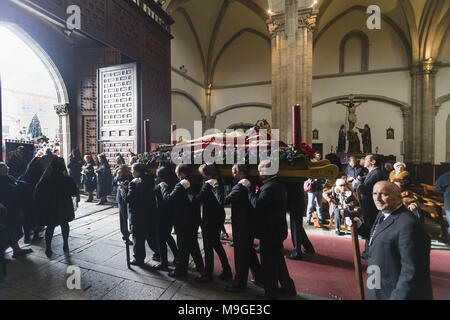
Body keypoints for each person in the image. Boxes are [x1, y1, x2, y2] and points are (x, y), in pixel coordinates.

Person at [348, 181, 433, 300]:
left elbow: (412, 273)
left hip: (394, 292)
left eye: (384, 194)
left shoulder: (409, 225)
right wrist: (359, 226)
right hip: (379, 286)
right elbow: (379, 236)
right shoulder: (383, 214)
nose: (377, 198)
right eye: (374, 193)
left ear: (398, 198)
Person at [248, 160, 296, 300]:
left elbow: (257, 204)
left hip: (270, 232)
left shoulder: (270, 187)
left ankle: (271, 294)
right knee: (278, 261)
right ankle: (288, 287)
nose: (258, 173)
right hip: (275, 230)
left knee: (269, 265)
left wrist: (249, 190)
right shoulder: (275, 184)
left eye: (260, 170)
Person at [159, 164, 204, 277]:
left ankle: (180, 271)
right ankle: (200, 266)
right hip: (194, 218)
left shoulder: (181, 184)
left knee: (183, 246)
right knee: (193, 244)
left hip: (183, 220)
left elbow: (168, 199)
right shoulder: (195, 181)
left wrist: (163, 187)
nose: (177, 176)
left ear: (182, 173)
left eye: (177, 174)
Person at [224, 164, 262, 292]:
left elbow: (225, 200)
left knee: (240, 256)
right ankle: (258, 277)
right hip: (248, 225)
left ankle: (239, 284)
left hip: (242, 226)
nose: (232, 175)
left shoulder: (240, 186)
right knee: (249, 253)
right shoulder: (249, 182)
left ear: (240, 173)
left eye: (234, 172)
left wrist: (215, 187)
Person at [192, 164, 232, 283]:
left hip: (210, 219)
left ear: (205, 173)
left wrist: (188, 192)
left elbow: (198, 199)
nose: (201, 176)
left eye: (202, 174)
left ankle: (207, 274)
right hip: (218, 217)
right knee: (216, 244)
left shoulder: (209, 184)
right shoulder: (218, 180)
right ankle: (227, 270)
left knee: (208, 247)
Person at [34, 158, 79, 258]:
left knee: (50, 227)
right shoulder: (67, 179)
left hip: (50, 206)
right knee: (64, 225)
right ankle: (65, 244)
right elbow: (74, 192)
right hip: (64, 205)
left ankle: (48, 248)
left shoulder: (45, 180)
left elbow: (37, 194)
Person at [125, 163, 156, 266]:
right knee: (150, 234)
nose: (132, 172)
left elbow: (128, 199)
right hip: (149, 212)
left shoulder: (133, 183)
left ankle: (138, 259)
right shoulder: (151, 178)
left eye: (133, 170)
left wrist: (123, 190)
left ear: (137, 171)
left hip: (137, 214)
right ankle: (158, 253)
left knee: (137, 237)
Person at [0, 163, 33, 258]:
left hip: (15, 207)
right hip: (5, 209)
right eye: (2, 168)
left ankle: (16, 250)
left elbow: (17, 184)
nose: (5, 169)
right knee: (9, 230)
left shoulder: (9, 177)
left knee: (15, 229)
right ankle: (10, 251)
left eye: (6, 167)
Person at [154, 166, 179, 271]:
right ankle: (177, 256)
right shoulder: (174, 182)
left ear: (161, 177)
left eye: (158, 176)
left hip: (162, 215)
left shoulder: (163, 185)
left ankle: (163, 263)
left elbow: (156, 194)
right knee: (167, 236)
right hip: (170, 215)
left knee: (161, 239)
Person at [17, 157, 45, 244]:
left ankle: (27, 237)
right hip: (35, 197)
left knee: (26, 217)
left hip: (26, 197)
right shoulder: (40, 172)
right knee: (36, 216)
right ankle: (36, 235)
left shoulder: (27, 172)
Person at [285, 181, 315, 260]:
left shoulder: (292, 176)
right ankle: (309, 248)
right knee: (298, 227)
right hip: (298, 201)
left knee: (295, 227)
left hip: (295, 202)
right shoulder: (298, 174)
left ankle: (297, 252)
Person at [357, 154, 384, 230]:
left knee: (370, 227)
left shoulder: (376, 173)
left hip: (371, 206)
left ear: (373, 162)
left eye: (366, 159)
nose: (363, 161)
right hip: (368, 204)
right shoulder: (372, 172)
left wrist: (358, 186)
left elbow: (368, 190)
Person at [113, 164, 133, 245]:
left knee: (123, 217)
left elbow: (114, 183)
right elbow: (114, 183)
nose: (119, 172)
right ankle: (127, 235)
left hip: (123, 198)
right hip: (125, 198)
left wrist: (117, 177)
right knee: (127, 217)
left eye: (120, 171)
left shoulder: (127, 177)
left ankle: (126, 236)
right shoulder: (128, 176)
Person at [435, 171, 450, 245]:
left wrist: (446, 192)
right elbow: (437, 186)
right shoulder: (447, 175)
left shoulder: (447, 175)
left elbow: (437, 186)